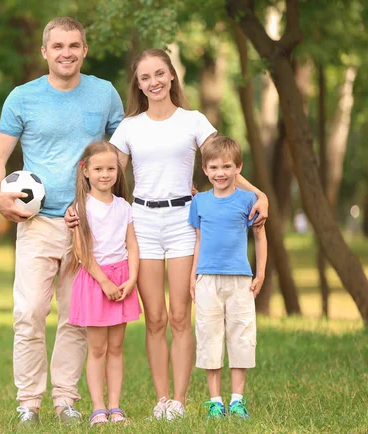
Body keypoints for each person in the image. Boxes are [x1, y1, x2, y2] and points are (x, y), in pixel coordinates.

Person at [67, 48, 269, 420]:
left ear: (172, 76)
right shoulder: (130, 126)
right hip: (142, 223)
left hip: (182, 222)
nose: (154, 82)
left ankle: (179, 399)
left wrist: (259, 194)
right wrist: (75, 206)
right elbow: (106, 173)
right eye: (145, 77)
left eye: (159, 74)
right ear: (138, 84)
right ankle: (162, 400)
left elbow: (223, 162)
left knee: (180, 316)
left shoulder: (193, 121)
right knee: (155, 318)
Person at [0, 17, 124, 425]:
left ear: (84, 49)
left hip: (88, 224)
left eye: (74, 45)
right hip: (37, 223)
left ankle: (65, 400)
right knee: (28, 312)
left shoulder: (105, 94)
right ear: (44, 51)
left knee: (76, 317)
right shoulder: (23, 98)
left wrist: (104, 201)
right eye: (58, 46)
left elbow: (122, 153)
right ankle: (28, 402)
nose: (67, 53)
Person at [188, 136, 267, 419]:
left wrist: (261, 272)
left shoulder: (248, 200)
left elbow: (259, 236)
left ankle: (237, 400)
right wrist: (192, 277)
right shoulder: (200, 202)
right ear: (205, 170)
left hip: (240, 280)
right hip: (207, 279)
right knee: (209, 337)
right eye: (214, 167)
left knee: (241, 336)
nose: (220, 173)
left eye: (226, 166)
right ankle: (215, 401)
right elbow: (198, 241)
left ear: (238, 168)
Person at [68, 141, 142, 426]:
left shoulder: (124, 207)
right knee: (97, 348)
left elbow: (132, 245)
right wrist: (104, 282)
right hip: (95, 281)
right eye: (98, 169)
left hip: (122, 279)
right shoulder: (80, 208)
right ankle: (98, 407)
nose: (105, 174)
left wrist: (132, 277)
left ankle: (115, 406)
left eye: (110, 168)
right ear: (85, 171)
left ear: (118, 170)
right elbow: (81, 252)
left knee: (117, 347)